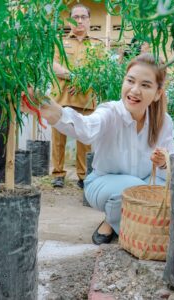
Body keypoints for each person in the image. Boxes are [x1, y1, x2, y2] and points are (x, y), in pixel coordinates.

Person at [21, 53, 174, 245]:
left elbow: (172, 163)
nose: (135, 90)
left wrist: (163, 162)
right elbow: (85, 127)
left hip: (145, 183)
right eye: (130, 81)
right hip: (103, 185)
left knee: (169, 193)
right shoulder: (111, 112)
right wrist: (51, 109)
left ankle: (128, 223)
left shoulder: (164, 122)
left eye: (145, 85)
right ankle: (112, 221)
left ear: (158, 93)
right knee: (134, 189)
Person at [51, 4, 105, 189]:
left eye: (83, 17)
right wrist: (74, 77)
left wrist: (82, 83)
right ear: (70, 20)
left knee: (84, 139)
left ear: (89, 20)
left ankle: (83, 176)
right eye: (76, 17)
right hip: (62, 98)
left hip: (85, 99)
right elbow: (53, 65)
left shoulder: (97, 45)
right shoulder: (59, 42)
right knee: (59, 138)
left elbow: (100, 70)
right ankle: (58, 174)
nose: (79, 20)